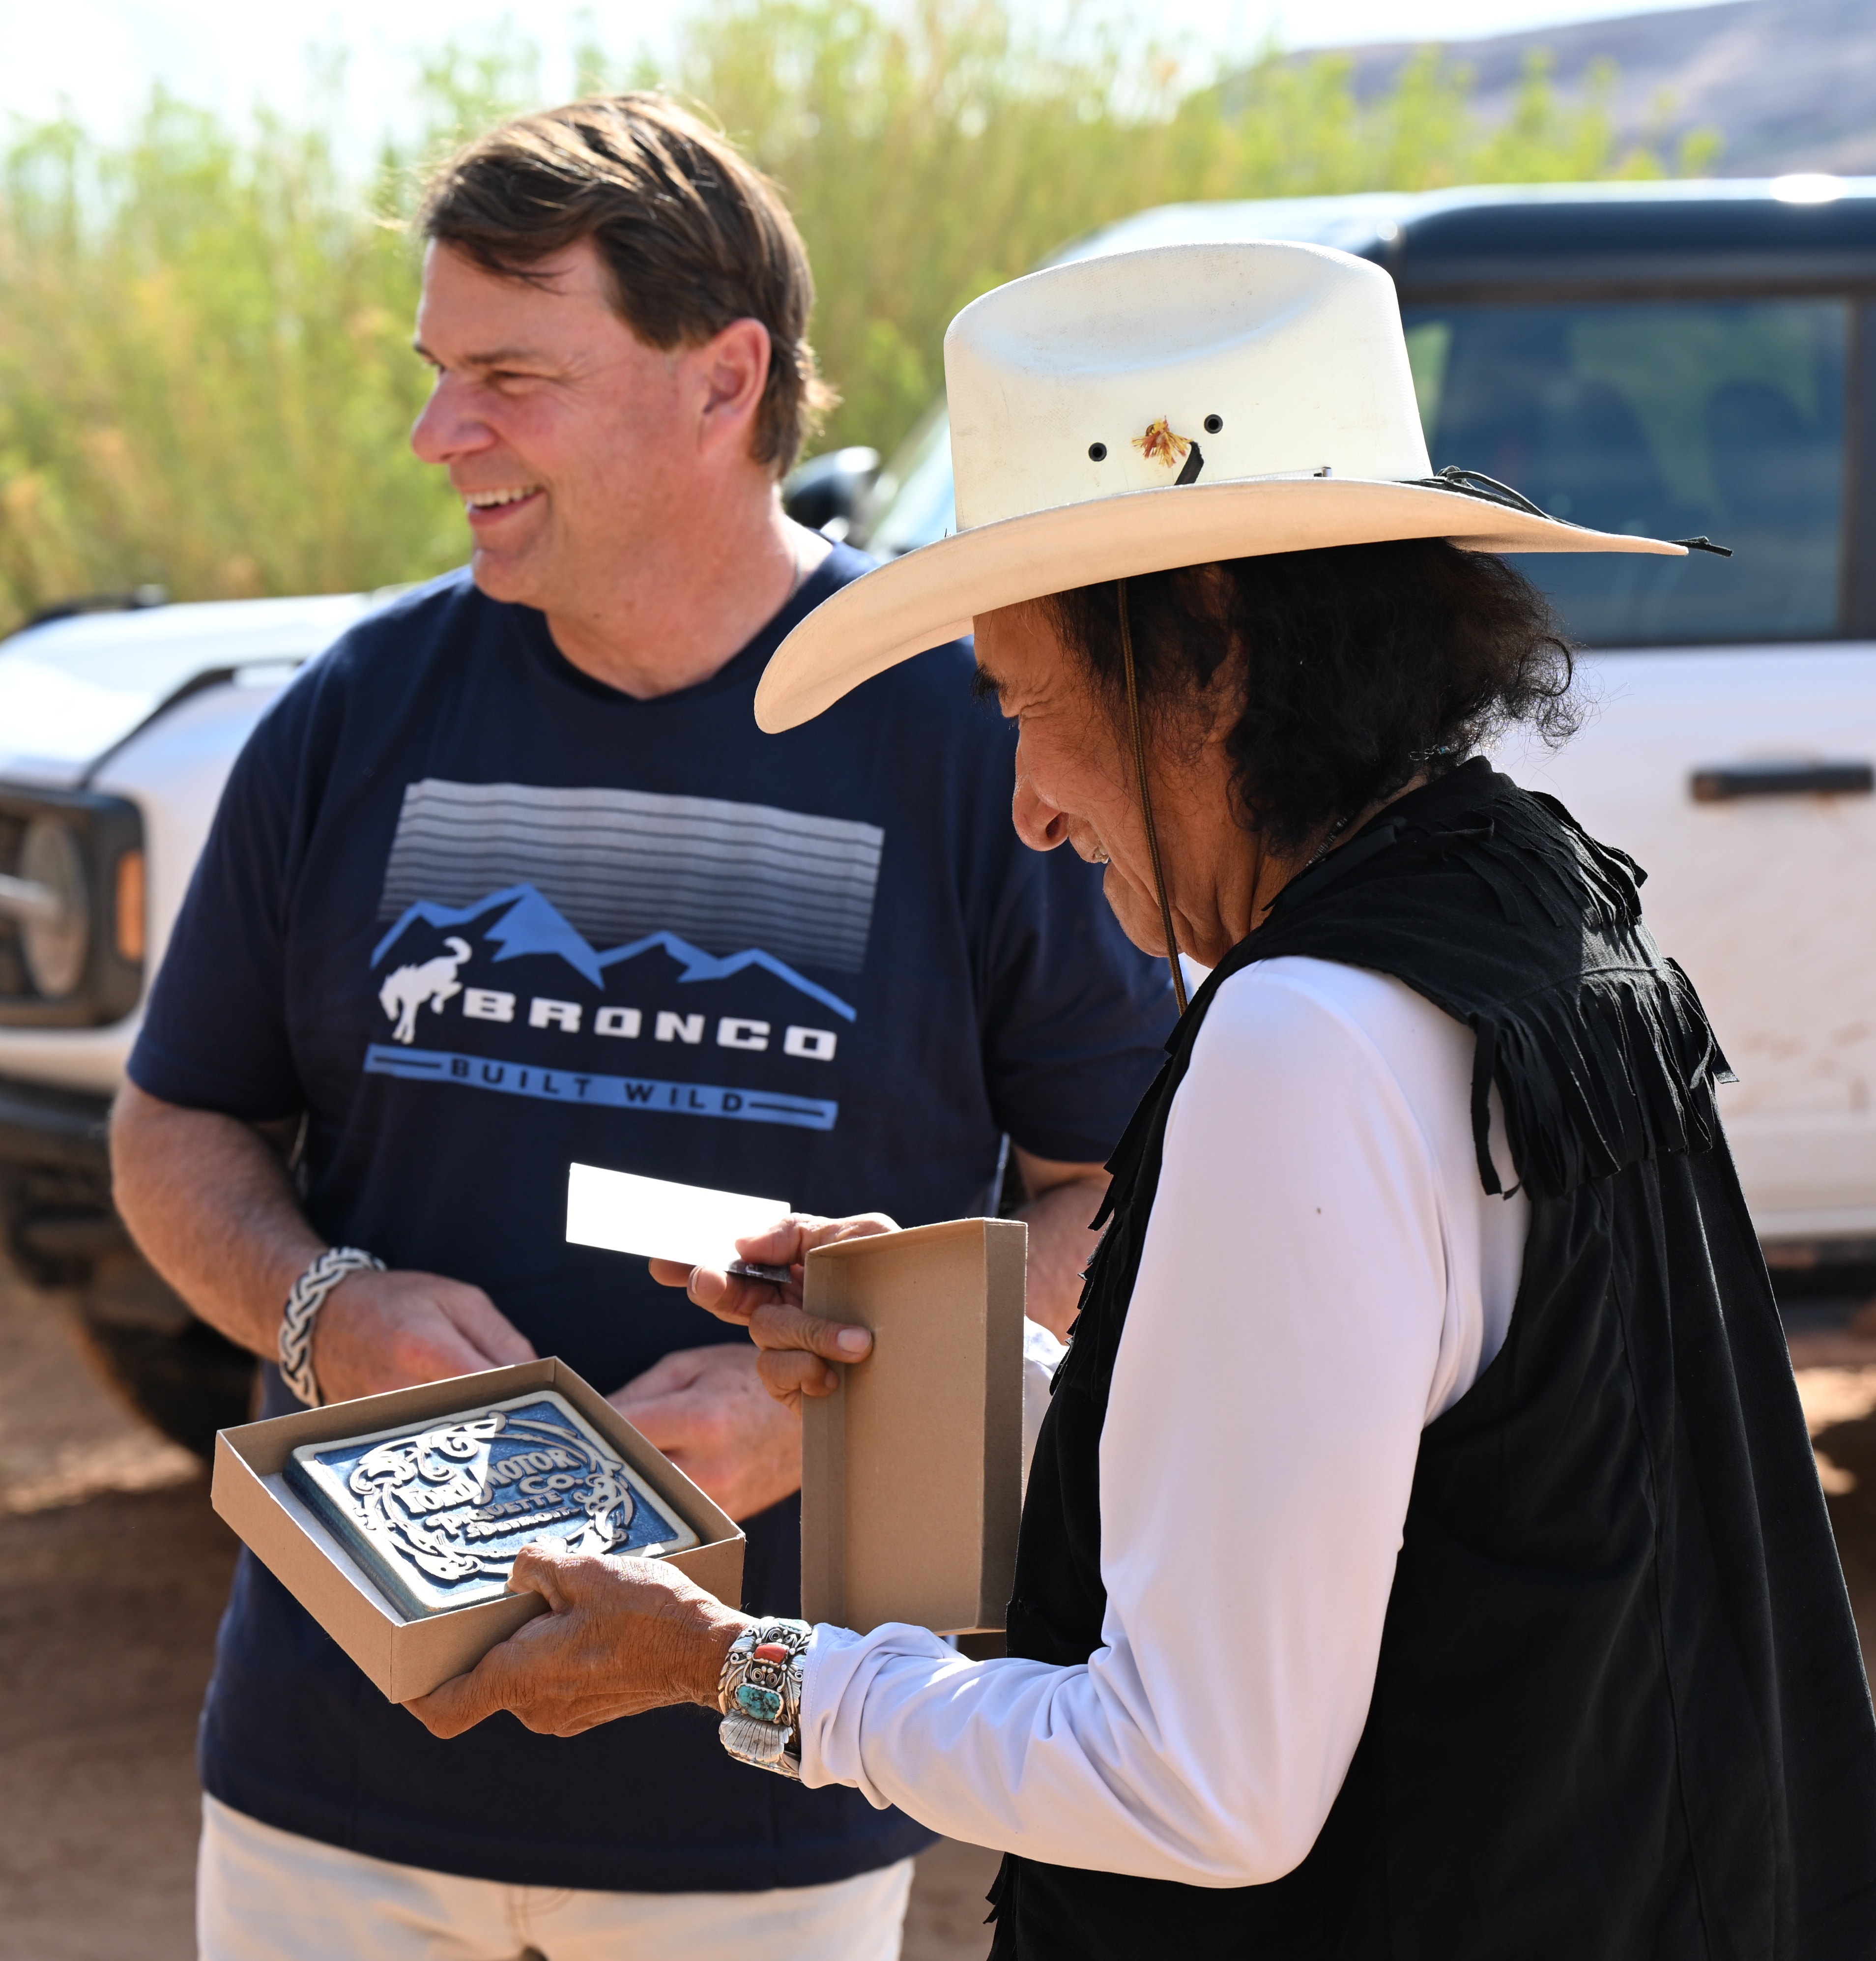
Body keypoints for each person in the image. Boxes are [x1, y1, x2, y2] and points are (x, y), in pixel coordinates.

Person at [406, 240, 1876, 1959]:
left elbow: (1195, 1783)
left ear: (1208, 655)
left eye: (1031, 707)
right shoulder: (1529, 912)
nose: (1027, 806)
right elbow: (1379, 1475)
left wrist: (721, 1663)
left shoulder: (1303, 1038)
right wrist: (941, 1368)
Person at [109, 96, 1173, 1961]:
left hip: (766, 1766)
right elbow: (177, 1125)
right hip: (336, 1772)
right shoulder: (356, 709)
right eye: (440, 373)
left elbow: (1130, 1199)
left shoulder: (957, 731)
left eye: (510, 374)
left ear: (722, 377)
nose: (443, 432)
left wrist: (834, 1412)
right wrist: (318, 1306)